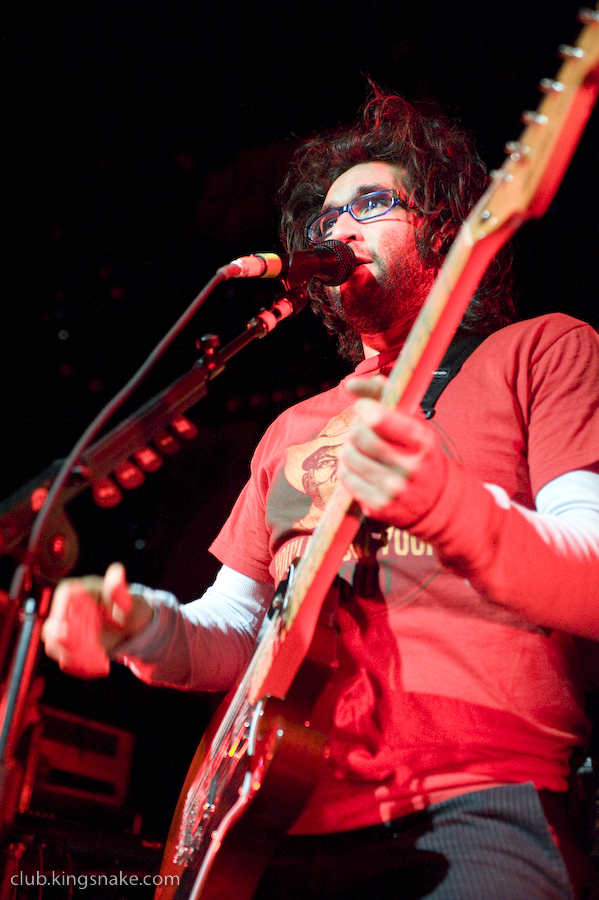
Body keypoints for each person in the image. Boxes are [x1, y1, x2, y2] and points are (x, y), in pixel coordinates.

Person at [42, 92, 599, 899]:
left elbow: (590, 575)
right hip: (259, 818)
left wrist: (451, 508)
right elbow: (241, 626)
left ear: (442, 226)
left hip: (476, 797)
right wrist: (140, 627)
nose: (338, 228)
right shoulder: (292, 428)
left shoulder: (542, 350)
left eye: (370, 204)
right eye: (324, 218)